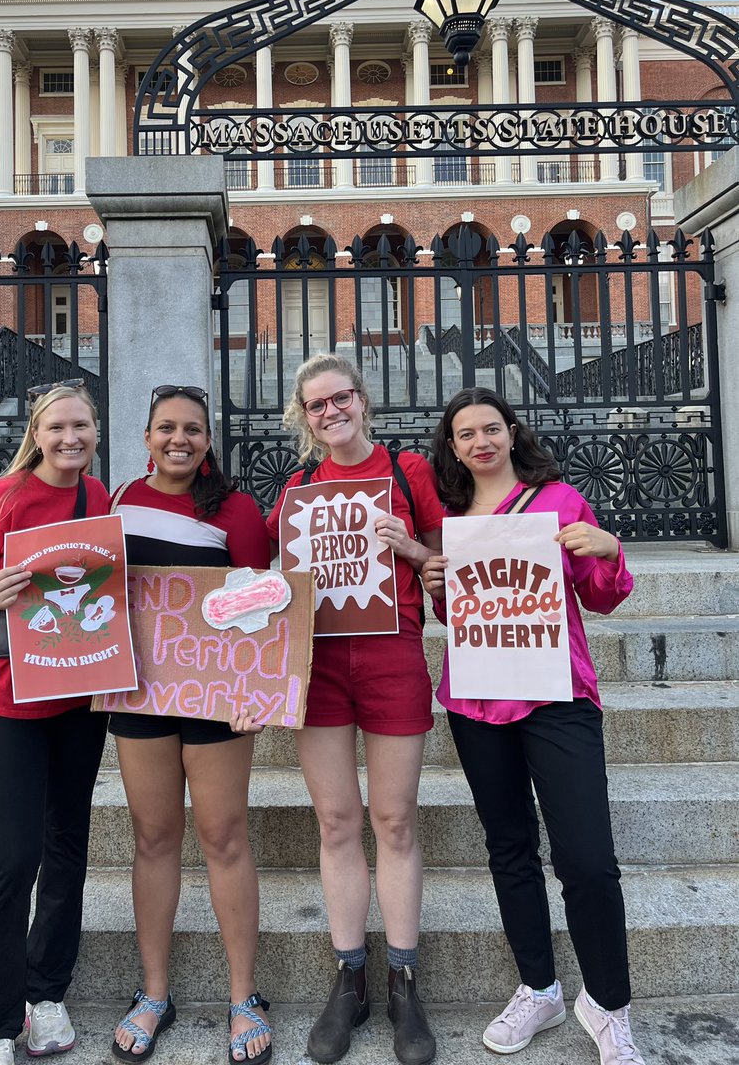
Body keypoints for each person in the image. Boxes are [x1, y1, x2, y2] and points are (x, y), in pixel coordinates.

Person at [422, 387, 646, 1065]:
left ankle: (608, 1004)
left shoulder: (559, 502)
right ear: (454, 448)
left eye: (491, 428)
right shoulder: (452, 520)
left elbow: (603, 597)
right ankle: (540, 987)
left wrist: (608, 548)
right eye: (466, 434)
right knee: (510, 847)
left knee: (587, 859)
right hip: (477, 700)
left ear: (512, 433)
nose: (480, 441)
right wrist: (437, 582)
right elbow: (460, 617)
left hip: (558, 695)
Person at [266, 354, 444, 1065]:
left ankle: (404, 978)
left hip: (393, 655)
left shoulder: (408, 473)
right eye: (317, 405)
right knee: (337, 820)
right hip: (322, 666)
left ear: (363, 400)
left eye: (341, 398)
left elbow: (447, 562)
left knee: (394, 820)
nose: (331, 412)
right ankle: (351, 976)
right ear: (304, 419)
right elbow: (279, 587)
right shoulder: (299, 489)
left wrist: (413, 548)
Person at [0, 380, 110, 1065]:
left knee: (67, 844)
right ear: (36, 433)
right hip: (10, 701)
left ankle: (47, 993)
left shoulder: (97, 499)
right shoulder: (0, 498)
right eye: (59, 427)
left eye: (82, 427)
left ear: (96, 432)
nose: (71, 438)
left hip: (77, 697)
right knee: (14, 860)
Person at [109, 383, 274, 1064]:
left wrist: (257, 691)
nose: (180, 439)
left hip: (218, 697)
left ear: (209, 441)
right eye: (166, 427)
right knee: (153, 837)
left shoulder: (236, 510)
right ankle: (154, 994)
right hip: (139, 693)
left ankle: (244, 997)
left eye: (193, 430)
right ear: (146, 436)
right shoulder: (118, 502)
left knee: (224, 837)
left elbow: (266, 604)